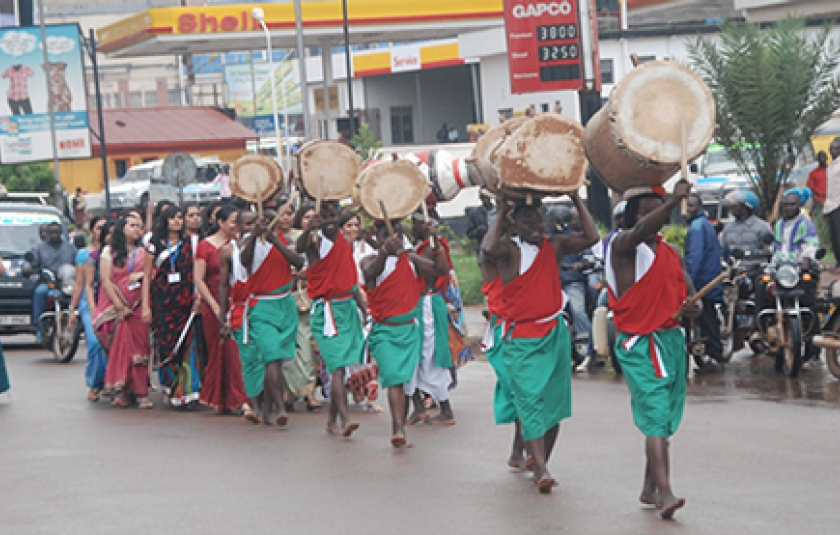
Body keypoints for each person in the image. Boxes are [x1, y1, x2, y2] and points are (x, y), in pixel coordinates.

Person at [482, 191, 599, 493]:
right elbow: (488, 248)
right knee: (529, 402)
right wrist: (504, 207)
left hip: (555, 333)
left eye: (539, 219)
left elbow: (591, 236)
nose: (536, 226)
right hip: (522, 337)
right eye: (527, 221)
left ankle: (539, 460)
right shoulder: (509, 250)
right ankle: (542, 469)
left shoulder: (555, 246)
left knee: (555, 405)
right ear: (515, 224)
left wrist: (576, 198)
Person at [607, 181, 700, 520]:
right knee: (656, 417)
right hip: (640, 344)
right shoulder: (622, 246)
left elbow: (689, 296)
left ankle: (649, 486)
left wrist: (693, 309)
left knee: (665, 419)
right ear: (631, 218)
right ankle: (665, 491)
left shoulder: (669, 253)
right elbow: (644, 229)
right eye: (644, 212)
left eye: (655, 210)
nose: (653, 219)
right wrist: (673, 200)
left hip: (671, 342)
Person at [361, 220, 441, 447]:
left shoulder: (410, 260)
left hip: (409, 330)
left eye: (395, 233)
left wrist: (435, 242)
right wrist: (385, 252)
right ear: (376, 238)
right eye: (385, 235)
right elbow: (370, 273)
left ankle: (401, 426)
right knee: (395, 379)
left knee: (405, 381)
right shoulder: (369, 260)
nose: (392, 238)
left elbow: (438, 269)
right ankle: (398, 430)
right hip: (385, 331)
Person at [296, 201, 366, 437]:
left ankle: (332, 420)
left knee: (343, 366)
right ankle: (345, 420)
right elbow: (299, 247)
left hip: (347, 309)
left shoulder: (345, 243)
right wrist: (308, 229)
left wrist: (364, 308)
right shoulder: (314, 245)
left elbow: (351, 280)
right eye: (323, 215)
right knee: (336, 368)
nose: (328, 220)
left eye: (331, 215)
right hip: (326, 313)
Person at [233, 209, 304, 426]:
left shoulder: (285, 240)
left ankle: (266, 409)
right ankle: (279, 408)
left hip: (285, 305)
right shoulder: (246, 244)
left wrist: (275, 240)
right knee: (272, 356)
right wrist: (255, 235)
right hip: (262, 306)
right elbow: (245, 262)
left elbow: (298, 263)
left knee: (277, 360)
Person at [194, 205, 251, 416]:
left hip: (236, 301)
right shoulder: (205, 246)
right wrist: (214, 305)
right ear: (220, 222)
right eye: (233, 221)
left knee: (235, 350)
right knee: (219, 350)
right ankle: (222, 397)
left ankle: (239, 397)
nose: (236, 226)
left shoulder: (239, 245)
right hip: (213, 302)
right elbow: (199, 279)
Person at [142, 205, 201, 408]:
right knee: (167, 347)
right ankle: (170, 386)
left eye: (179, 217)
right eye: (173, 218)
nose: (177, 221)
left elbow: (196, 275)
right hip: (162, 303)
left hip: (185, 303)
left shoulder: (191, 243)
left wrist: (197, 299)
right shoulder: (153, 245)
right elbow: (148, 278)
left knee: (187, 347)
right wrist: (145, 307)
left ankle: (186, 392)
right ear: (165, 221)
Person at [405, 213, 457, 426]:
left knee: (429, 356)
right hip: (414, 305)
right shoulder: (417, 245)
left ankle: (445, 409)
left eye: (418, 222)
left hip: (427, 305)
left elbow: (435, 270)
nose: (414, 225)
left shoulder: (435, 246)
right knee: (413, 356)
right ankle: (417, 405)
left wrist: (410, 256)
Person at [102, 216, 153, 409]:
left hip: (139, 305)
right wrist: (119, 307)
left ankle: (141, 393)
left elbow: (151, 276)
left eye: (139, 227)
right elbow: (107, 281)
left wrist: (142, 277)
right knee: (121, 349)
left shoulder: (144, 252)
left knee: (141, 350)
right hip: (121, 308)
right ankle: (121, 391)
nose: (137, 230)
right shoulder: (110, 252)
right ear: (121, 229)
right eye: (132, 226)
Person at [285, 203, 322, 412]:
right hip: (287, 297)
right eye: (305, 217)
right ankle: (289, 393)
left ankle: (310, 393)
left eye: (312, 217)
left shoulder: (319, 238)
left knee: (310, 348)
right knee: (291, 348)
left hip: (311, 296)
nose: (309, 220)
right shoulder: (285, 238)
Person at [67, 216, 109, 401]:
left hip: (110, 303)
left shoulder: (114, 253)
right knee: (95, 342)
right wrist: (72, 309)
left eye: (105, 228)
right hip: (89, 304)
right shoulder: (84, 255)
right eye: (98, 228)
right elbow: (80, 284)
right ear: (91, 231)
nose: (102, 231)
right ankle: (95, 383)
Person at [685, 194, 724, 371]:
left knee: (706, 319)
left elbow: (695, 258)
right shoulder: (706, 224)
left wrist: (688, 284)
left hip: (702, 283)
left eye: (691, 206)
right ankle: (713, 355)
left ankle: (715, 356)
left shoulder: (696, 228)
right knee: (709, 319)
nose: (687, 210)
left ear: (699, 207)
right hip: (711, 279)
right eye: (686, 206)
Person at [29, 222, 77, 342]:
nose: (55, 234)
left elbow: (78, 263)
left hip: (66, 284)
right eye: (52, 232)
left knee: (80, 294)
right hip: (48, 283)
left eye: (57, 232)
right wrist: (29, 267)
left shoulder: (70, 247)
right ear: (48, 233)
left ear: (61, 232)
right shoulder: (39, 248)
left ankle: (79, 325)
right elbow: (32, 263)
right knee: (39, 292)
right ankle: (40, 328)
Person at [719, 189, 772, 260]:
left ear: (745, 207)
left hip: (755, 269)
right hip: (734, 269)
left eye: (735, 205)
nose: (731, 208)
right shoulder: (728, 228)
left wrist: (746, 253)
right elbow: (720, 248)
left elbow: (770, 250)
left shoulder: (762, 227)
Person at [466, 189, 497, 254]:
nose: (485, 199)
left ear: (490, 197)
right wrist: (478, 231)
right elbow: (469, 234)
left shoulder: (498, 211)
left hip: (499, 245)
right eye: (483, 197)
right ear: (480, 198)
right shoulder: (475, 213)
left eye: (487, 197)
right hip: (483, 247)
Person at [825, 138, 840, 271]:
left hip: (838, 203)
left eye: (835, 148)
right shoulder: (831, 165)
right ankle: (838, 261)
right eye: (831, 148)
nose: (832, 151)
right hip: (831, 205)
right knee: (834, 235)